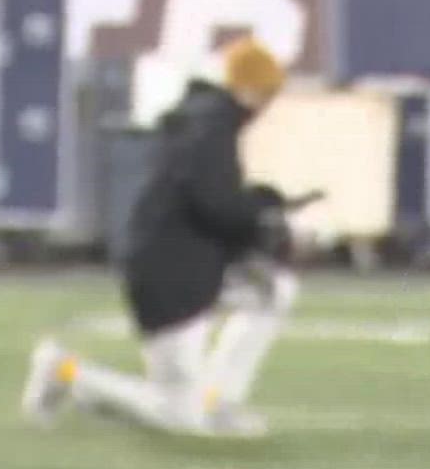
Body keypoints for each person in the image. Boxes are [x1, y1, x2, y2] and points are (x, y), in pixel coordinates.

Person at [20, 38, 298, 438]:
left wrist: (260, 205)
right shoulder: (212, 128)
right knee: (179, 415)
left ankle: (217, 402)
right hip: (174, 275)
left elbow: (208, 198)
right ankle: (66, 373)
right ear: (251, 88)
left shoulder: (206, 120)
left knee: (274, 290)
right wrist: (261, 215)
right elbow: (214, 203)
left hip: (183, 264)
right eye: (268, 94)